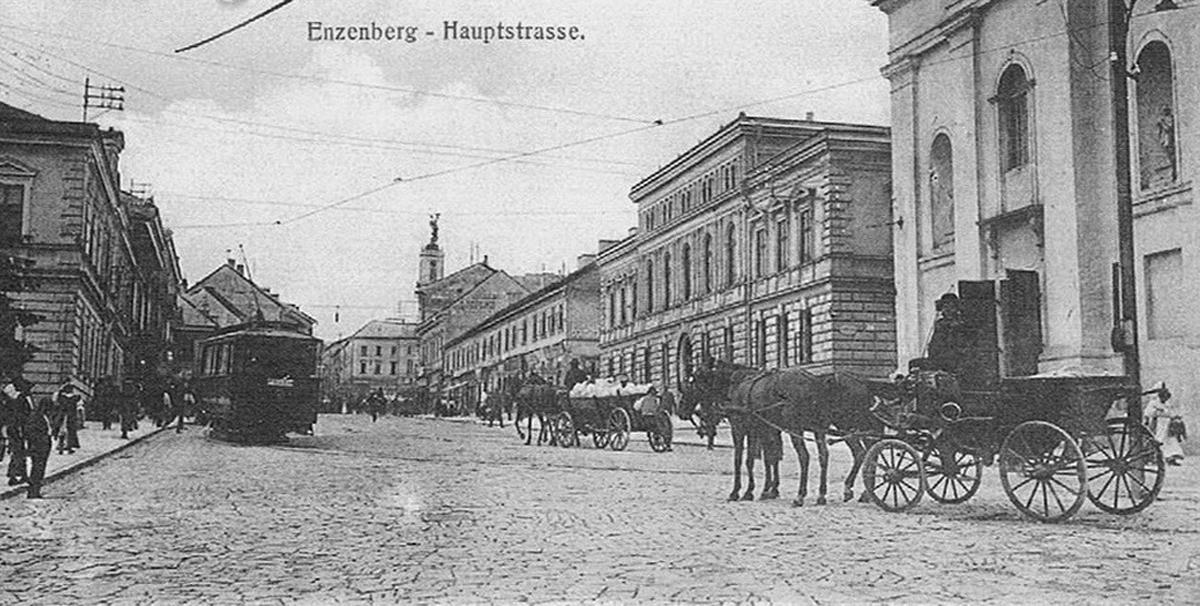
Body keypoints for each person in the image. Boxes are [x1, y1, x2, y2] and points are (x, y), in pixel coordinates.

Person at [925, 293, 970, 374]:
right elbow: (934, 344)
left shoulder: (962, 324)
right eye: (945, 307)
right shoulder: (939, 324)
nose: (948, 310)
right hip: (940, 361)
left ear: (957, 308)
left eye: (952, 307)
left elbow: (965, 347)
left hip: (958, 362)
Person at [22, 391, 54, 499]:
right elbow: (29, 432)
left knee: (40, 468)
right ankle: (33, 491)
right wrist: (34, 445)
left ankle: (36, 490)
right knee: (37, 468)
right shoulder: (36, 417)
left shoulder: (44, 416)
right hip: (38, 446)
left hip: (44, 445)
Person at [1145, 382, 1185, 466]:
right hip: (1157, 424)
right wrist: (1158, 413)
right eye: (1163, 398)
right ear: (1160, 396)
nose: (1164, 400)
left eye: (1166, 398)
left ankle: (1171, 458)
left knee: (1170, 440)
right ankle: (1155, 458)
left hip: (1167, 424)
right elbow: (1148, 413)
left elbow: (1170, 413)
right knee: (1159, 440)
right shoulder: (1153, 403)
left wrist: (1174, 416)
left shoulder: (1167, 404)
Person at [52, 382, 82, 454]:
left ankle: (63, 446)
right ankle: (66, 446)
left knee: (63, 430)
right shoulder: (75, 397)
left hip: (63, 415)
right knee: (68, 430)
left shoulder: (61, 397)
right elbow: (79, 407)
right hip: (69, 415)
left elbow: (55, 401)